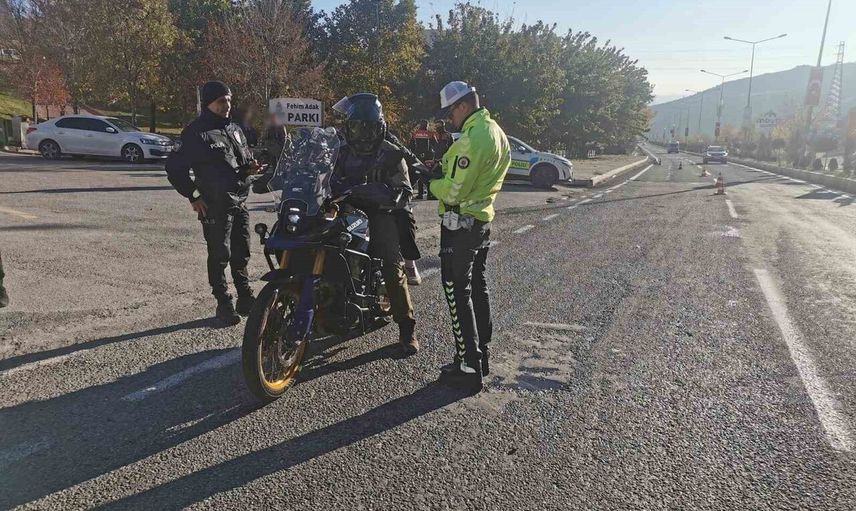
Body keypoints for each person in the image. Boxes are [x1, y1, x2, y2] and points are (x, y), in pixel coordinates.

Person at [429, 81, 510, 390]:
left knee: (456, 291)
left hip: (459, 225)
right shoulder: (495, 132)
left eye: (451, 112)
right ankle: (481, 354)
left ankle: (468, 365)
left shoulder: (472, 139)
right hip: (481, 220)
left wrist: (431, 181)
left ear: (462, 106)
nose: (450, 118)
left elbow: (453, 191)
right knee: (478, 286)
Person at [165, 80, 263, 325]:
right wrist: (194, 196)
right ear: (209, 103)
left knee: (242, 252)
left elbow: (241, 161)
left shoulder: (235, 129)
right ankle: (223, 302)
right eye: (221, 101)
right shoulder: (195, 133)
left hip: (240, 200)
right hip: (215, 204)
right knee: (220, 254)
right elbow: (175, 168)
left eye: (229, 100)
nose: (227, 105)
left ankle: (244, 296)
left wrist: (251, 167)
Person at [331, 93, 418, 355]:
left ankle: (407, 328)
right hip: (346, 208)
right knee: (319, 241)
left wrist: (380, 193)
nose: (360, 133)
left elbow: (404, 190)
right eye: (355, 126)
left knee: (391, 264)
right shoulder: (341, 151)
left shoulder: (392, 154)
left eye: (365, 127)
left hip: (382, 212)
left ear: (377, 128)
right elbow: (324, 175)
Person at [409, 120, 436, 199]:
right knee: (429, 174)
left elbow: (411, 145)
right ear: (427, 125)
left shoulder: (415, 133)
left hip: (418, 157)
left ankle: (420, 194)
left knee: (419, 174)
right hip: (428, 157)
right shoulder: (430, 134)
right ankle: (430, 194)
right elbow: (435, 144)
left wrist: (414, 154)